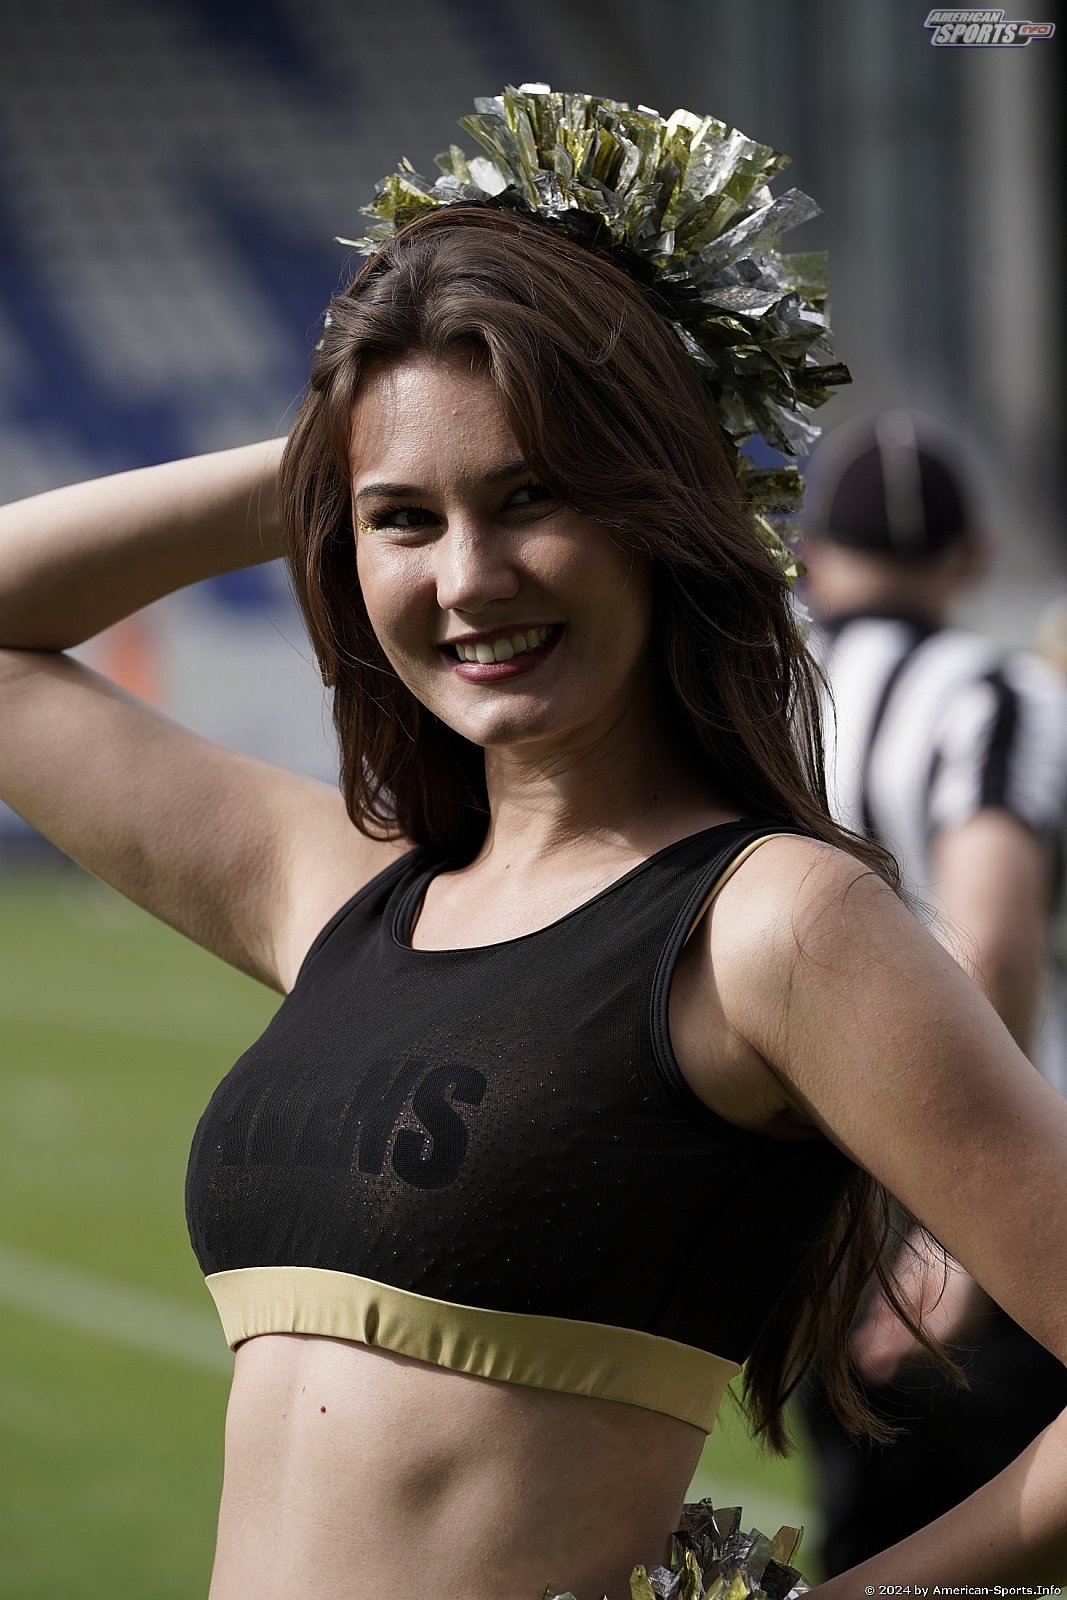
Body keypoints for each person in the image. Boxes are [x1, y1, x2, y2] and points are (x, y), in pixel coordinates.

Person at [1, 88, 1066, 1600]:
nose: (469, 578)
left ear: (654, 508)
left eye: (531, 495)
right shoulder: (341, 893)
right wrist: (348, 435)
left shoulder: (772, 927)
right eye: (402, 521)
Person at [800, 409, 1067, 1574]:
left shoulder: (762, 689)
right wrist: (963, 1226)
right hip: (981, 1179)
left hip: (817, 1189)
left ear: (810, 554)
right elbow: (991, 941)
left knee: (871, 1545)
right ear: (970, 557)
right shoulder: (993, 694)